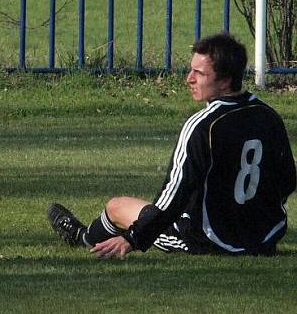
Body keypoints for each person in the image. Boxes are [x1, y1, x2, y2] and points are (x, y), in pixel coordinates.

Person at [48, 32, 296, 259]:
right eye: (191, 70)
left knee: (117, 206)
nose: (189, 79)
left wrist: (133, 238)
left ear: (225, 81)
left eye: (199, 73)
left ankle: (81, 238)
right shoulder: (269, 115)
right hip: (264, 239)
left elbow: (172, 197)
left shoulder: (202, 126)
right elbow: (287, 180)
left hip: (210, 242)